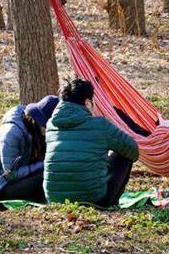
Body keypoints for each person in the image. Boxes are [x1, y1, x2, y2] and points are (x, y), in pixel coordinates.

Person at [44, 79, 139, 207]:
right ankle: (112, 203)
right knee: (125, 154)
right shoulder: (100, 124)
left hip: (55, 201)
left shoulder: (51, 125)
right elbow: (133, 150)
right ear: (88, 103)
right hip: (95, 200)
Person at [0, 95, 59, 205]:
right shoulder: (11, 133)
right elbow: (11, 174)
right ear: (40, 122)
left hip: (11, 183)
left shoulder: (34, 132)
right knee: (45, 174)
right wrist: (44, 164)